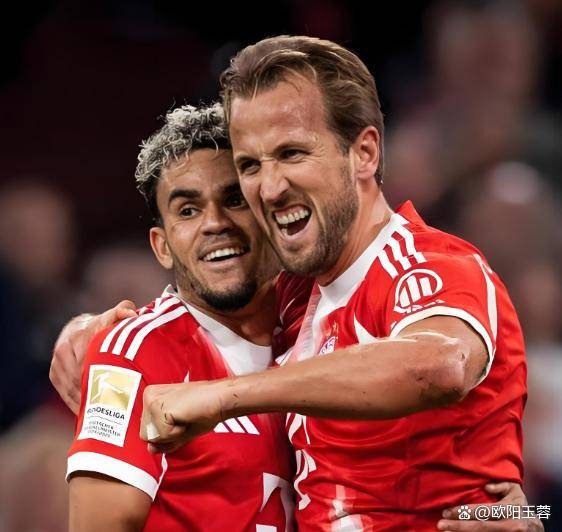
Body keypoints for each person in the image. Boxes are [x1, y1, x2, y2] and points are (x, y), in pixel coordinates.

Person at [139, 36, 531, 531]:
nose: (270, 188)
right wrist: (90, 332)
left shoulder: (433, 266)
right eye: (250, 166)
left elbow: (439, 366)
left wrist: (226, 396)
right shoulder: (292, 296)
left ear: (364, 153)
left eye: (292, 153)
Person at [65, 103, 294, 531]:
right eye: (187, 210)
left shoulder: (318, 326)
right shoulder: (130, 355)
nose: (215, 223)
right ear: (162, 246)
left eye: (234, 200)